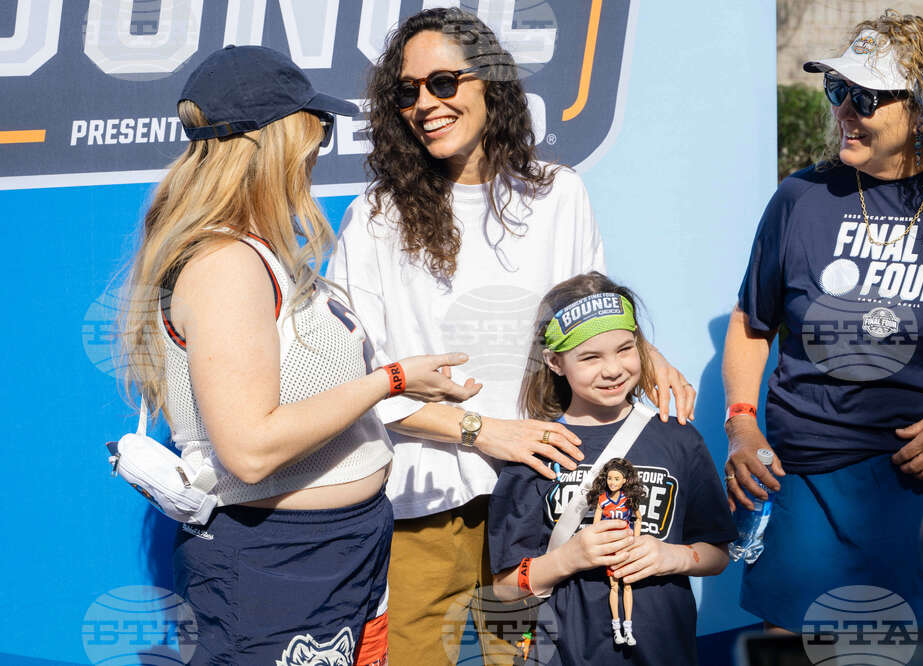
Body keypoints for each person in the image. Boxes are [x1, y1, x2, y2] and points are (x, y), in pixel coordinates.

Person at [327, 8, 697, 664]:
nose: (425, 104)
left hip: (540, 500)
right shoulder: (375, 219)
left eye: (444, 83)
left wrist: (645, 349)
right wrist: (484, 431)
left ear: (491, 83)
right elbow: (358, 383)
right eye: (407, 92)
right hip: (426, 504)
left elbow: (582, 318)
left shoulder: (560, 195)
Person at [117, 45, 479, 664]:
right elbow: (250, 450)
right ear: (277, 139)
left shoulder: (259, 249)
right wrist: (389, 381)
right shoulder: (226, 264)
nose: (319, 147)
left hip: (340, 556)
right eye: (317, 128)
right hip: (278, 566)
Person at [723, 11, 923, 632]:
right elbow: (751, 322)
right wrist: (740, 422)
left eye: (866, 98)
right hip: (811, 486)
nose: (845, 110)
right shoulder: (801, 198)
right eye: (838, 89)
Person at [488, 272, 736, 665]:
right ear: (555, 362)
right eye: (590, 357)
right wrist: (570, 557)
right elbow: (505, 588)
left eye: (624, 349)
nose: (613, 369)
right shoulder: (534, 448)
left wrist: (669, 556)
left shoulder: (679, 439)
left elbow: (717, 553)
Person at [589, 458, 646, 646]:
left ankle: (628, 629)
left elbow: (638, 519)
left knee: (628, 586)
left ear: (624, 481)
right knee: (614, 587)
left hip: (626, 548)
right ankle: (616, 630)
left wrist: (635, 540)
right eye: (610, 478)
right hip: (610, 549)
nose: (612, 482)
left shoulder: (628, 499)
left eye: (616, 479)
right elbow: (595, 526)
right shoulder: (602, 500)